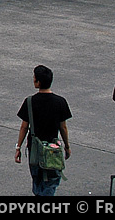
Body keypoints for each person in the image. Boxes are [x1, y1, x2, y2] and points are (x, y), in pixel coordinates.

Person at [16, 65, 71, 197]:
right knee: (51, 182)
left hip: (34, 149)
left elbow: (24, 127)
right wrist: (67, 147)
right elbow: (63, 127)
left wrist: (18, 147)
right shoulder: (60, 102)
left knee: (37, 180)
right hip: (52, 149)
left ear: (38, 82)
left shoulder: (30, 102)